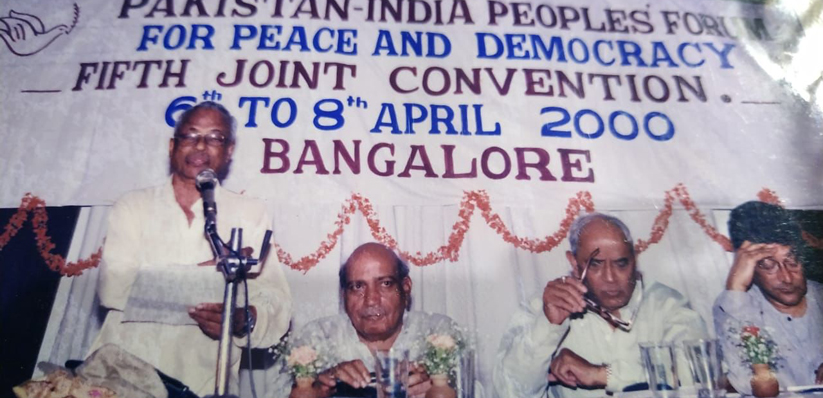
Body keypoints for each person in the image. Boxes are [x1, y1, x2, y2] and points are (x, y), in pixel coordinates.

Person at [89, 101, 292, 395]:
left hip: (206, 381)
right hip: (122, 378)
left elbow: (278, 304)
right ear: (172, 146)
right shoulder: (134, 205)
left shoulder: (250, 213)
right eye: (191, 135)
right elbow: (114, 289)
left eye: (214, 138)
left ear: (229, 150)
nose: (200, 146)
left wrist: (241, 319)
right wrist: (205, 277)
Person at [494, 213, 708, 398]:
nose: (611, 278)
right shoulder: (545, 306)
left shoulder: (667, 305)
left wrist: (602, 375)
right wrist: (549, 327)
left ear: (634, 260)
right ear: (574, 264)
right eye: (596, 264)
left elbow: (699, 375)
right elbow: (508, 391)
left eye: (621, 263)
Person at [267, 242, 464, 398]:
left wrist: (440, 386)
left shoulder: (437, 333)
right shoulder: (317, 337)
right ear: (344, 295)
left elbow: (474, 390)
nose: (371, 300)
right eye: (357, 287)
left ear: (405, 287)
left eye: (385, 284)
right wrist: (317, 384)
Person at [714, 201, 823, 392]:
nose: (787, 277)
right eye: (768, 265)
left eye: (793, 261)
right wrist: (736, 288)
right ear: (748, 267)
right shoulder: (735, 306)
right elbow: (745, 382)